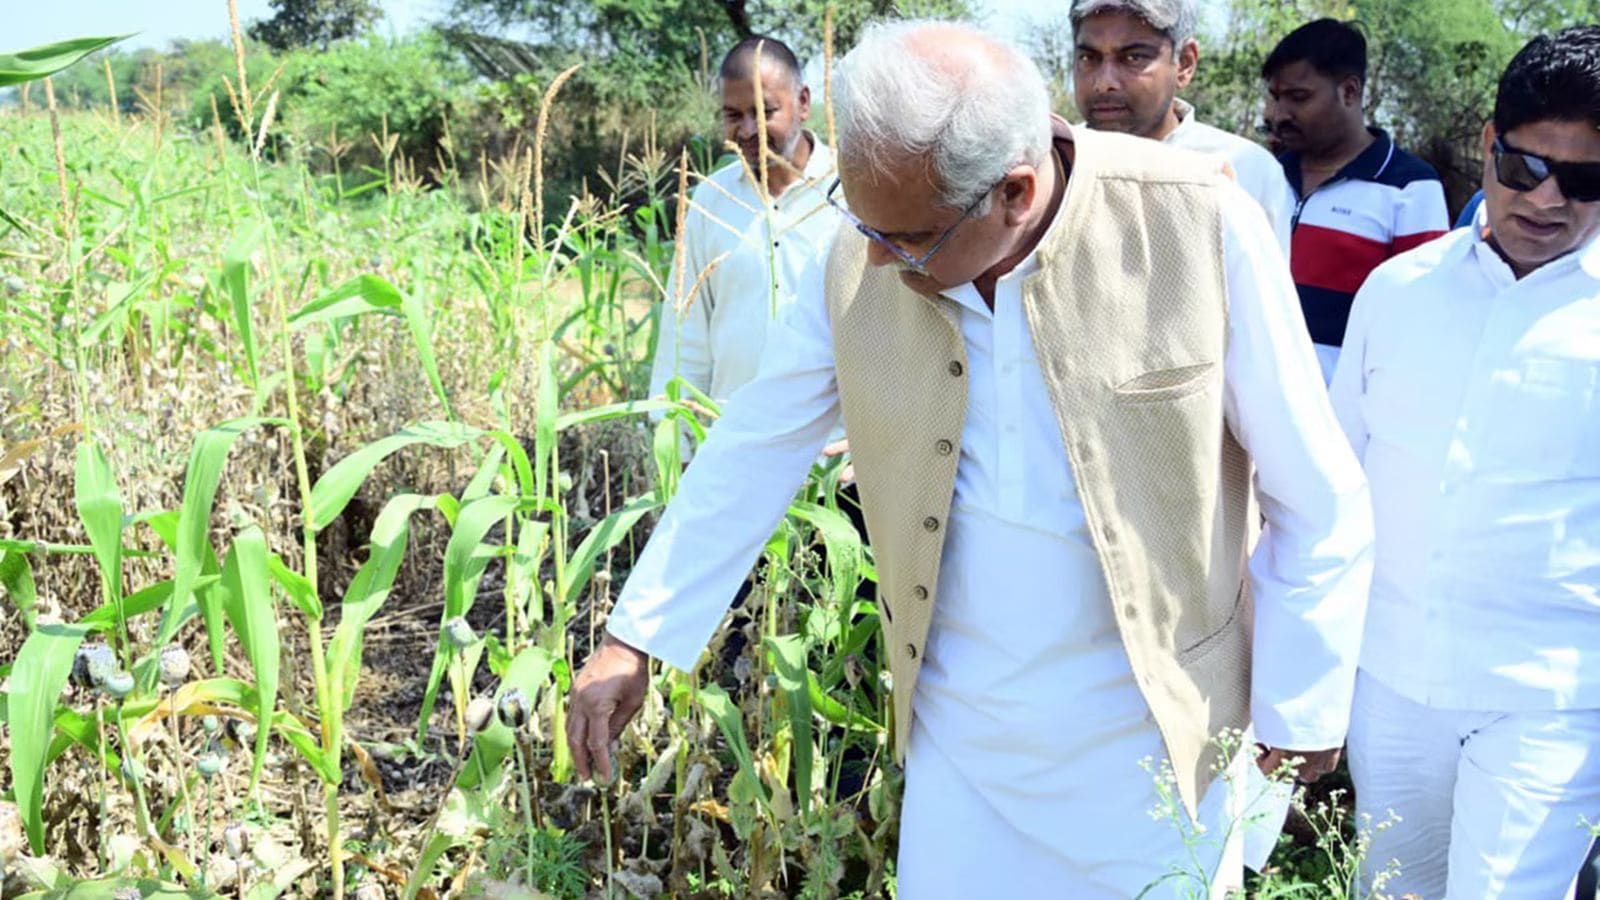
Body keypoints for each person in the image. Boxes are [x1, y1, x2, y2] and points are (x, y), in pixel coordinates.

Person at [569, 20, 1373, 897]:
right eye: (864, 224)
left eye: (907, 238)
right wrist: (634, 636)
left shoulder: (1196, 224)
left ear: (1015, 193)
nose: (877, 256)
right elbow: (757, 439)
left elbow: (1314, 492)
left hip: (1153, 749)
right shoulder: (865, 251)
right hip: (965, 748)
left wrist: (1303, 708)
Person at [1330, 25, 1600, 898]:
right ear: (1488, 145)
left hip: (1551, 702)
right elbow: (1336, 483)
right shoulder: (1398, 291)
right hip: (1392, 683)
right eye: (1526, 168)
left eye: (1586, 180)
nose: (1549, 199)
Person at [647, 35, 843, 448]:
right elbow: (687, 330)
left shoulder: (853, 194)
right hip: (733, 444)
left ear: (803, 102)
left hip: (833, 456)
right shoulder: (710, 200)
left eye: (764, 112)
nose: (748, 130)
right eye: (733, 115)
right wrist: (675, 444)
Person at [1264, 19, 1449, 382]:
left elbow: (1421, 318)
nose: (1281, 114)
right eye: (1276, 97)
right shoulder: (1267, 174)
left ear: (1349, 92)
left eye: (1299, 98)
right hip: (1255, 408)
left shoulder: (1410, 188)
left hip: (1344, 419)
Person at [1071, 0, 1296, 253]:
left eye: (1133, 58)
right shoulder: (1052, 167)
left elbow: (1264, 289)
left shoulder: (1248, 171)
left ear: (1185, 64)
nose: (1104, 82)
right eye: (1089, 58)